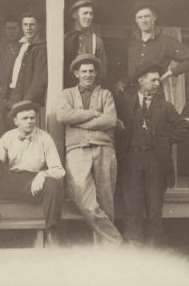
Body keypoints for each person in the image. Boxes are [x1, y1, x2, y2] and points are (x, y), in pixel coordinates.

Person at [116, 62, 189, 245]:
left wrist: (165, 139)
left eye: (159, 80)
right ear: (141, 81)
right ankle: (133, 240)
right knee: (132, 202)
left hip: (156, 160)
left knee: (154, 203)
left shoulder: (165, 106)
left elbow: (184, 127)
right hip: (131, 159)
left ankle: (153, 243)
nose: (158, 83)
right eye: (154, 80)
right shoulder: (125, 102)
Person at [0, 101, 64, 246]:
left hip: (33, 185)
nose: (30, 121)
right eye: (25, 118)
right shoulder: (8, 137)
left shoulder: (45, 138)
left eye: (32, 118)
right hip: (10, 183)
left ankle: (52, 233)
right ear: (16, 121)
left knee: (54, 184)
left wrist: (43, 175)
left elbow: (59, 170)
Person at [57, 53, 122, 245]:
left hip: (104, 149)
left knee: (106, 199)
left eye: (91, 71)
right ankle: (115, 240)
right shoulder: (66, 94)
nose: (88, 75)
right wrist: (93, 114)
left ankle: (104, 249)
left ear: (96, 73)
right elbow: (62, 116)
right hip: (77, 150)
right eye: (83, 71)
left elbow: (110, 120)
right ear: (76, 73)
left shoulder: (105, 94)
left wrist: (78, 122)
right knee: (82, 197)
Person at [116, 2, 189, 94]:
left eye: (147, 16)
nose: (143, 20)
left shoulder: (167, 41)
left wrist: (167, 74)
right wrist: (121, 82)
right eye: (140, 17)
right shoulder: (131, 43)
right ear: (136, 21)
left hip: (155, 93)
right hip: (131, 94)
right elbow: (121, 67)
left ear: (154, 18)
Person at [0, 16, 21, 136]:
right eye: (9, 28)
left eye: (14, 28)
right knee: (3, 132)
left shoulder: (24, 49)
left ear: (19, 29)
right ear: (4, 30)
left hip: (20, 96)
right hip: (3, 97)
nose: (12, 31)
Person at [6, 11, 48, 111]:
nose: (28, 28)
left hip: (27, 99)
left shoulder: (40, 48)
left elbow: (39, 80)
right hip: (13, 95)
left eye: (32, 25)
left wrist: (27, 102)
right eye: (25, 24)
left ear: (39, 26)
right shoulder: (21, 45)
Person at [64, 0, 108, 88]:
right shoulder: (65, 39)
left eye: (91, 14)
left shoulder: (97, 41)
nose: (88, 17)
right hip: (67, 89)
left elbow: (102, 72)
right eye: (85, 13)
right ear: (75, 15)